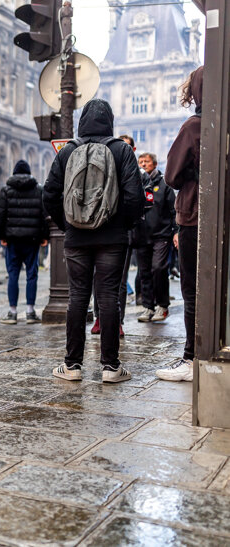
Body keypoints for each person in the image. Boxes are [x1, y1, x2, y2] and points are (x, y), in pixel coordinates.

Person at [43, 98, 144, 383]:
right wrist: (124, 225)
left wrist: (68, 225)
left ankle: (72, 366)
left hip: (76, 237)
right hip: (112, 237)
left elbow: (49, 194)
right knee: (109, 297)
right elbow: (135, 196)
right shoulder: (121, 150)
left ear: (82, 120)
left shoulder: (67, 151)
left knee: (77, 296)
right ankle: (111, 367)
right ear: (110, 121)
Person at [156, 66, 203, 383]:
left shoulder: (193, 127)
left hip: (194, 216)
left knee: (192, 288)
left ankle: (192, 357)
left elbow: (171, 176)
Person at [90, 134, 147, 337]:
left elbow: (141, 203)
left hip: (123, 234)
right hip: (101, 230)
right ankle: (98, 318)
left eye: (126, 146)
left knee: (119, 282)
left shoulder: (140, 174)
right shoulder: (106, 167)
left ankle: (117, 322)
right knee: (98, 278)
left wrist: (128, 224)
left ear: (132, 149)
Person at [0, 160, 49, 325]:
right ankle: (30, 312)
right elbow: (44, 214)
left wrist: (1, 235)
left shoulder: (6, 190)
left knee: (13, 274)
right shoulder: (38, 189)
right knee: (32, 274)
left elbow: (0, 215)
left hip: (12, 239)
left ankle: (12, 312)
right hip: (32, 239)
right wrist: (44, 236)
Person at [135, 152, 176, 323]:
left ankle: (162, 305)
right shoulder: (135, 182)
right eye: (141, 161)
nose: (143, 164)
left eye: (146, 161)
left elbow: (173, 210)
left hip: (161, 234)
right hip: (141, 235)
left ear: (155, 164)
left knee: (159, 268)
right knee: (144, 272)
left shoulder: (164, 184)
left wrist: (175, 231)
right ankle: (148, 306)